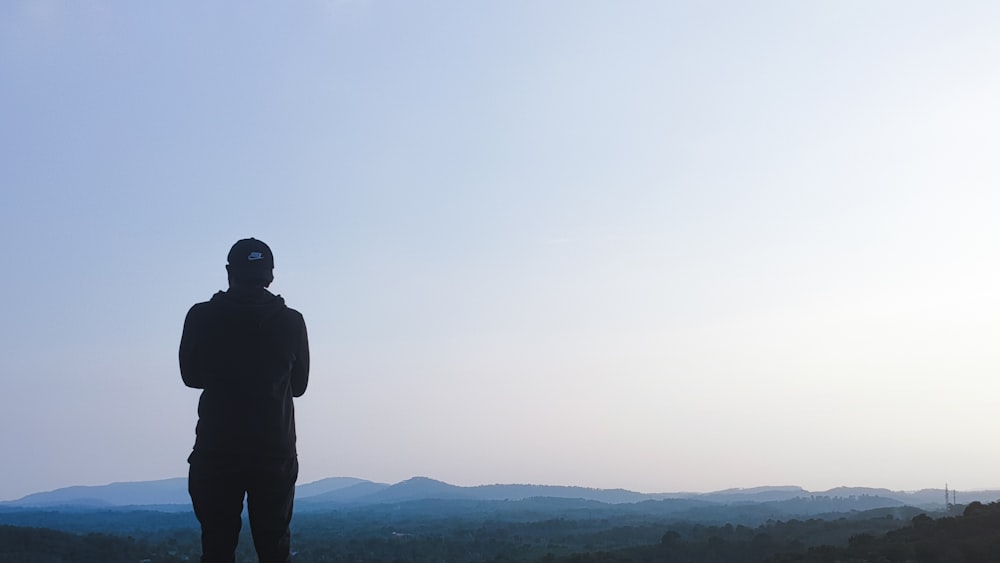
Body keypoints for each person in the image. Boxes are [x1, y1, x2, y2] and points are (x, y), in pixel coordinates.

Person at [179, 238, 310, 563]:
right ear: (270, 276)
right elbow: (299, 386)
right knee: (274, 547)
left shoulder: (201, 317)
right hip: (273, 453)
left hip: (217, 450)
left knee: (217, 547)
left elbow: (191, 377)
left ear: (229, 272)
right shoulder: (292, 322)